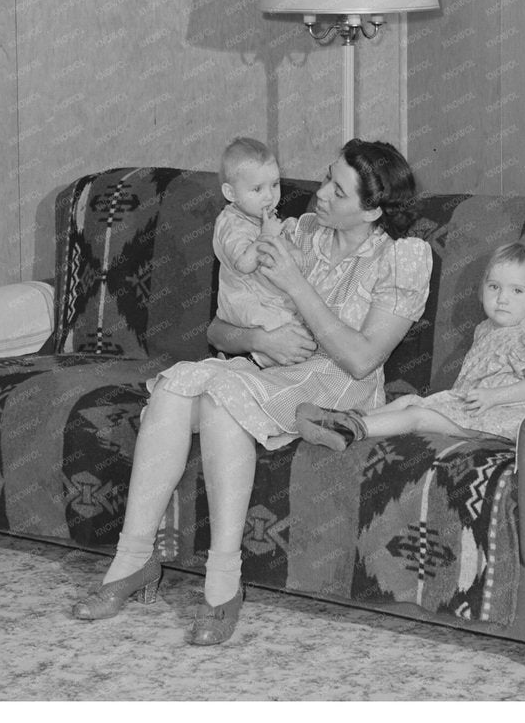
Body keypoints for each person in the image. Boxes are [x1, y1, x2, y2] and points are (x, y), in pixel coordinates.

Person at [69, 139, 433, 646]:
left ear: (372, 210)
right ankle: (132, 561)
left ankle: (221, 582)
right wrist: (260, 339)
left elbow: (362, 358)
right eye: (327, 177)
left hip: (336, 389)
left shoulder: (403, 258)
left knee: (221, 396)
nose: (320, 193)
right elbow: (219, 333)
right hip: (269, 371)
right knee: (176, 390)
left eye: (338, 190)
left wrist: (295, 284)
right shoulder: (299, 233)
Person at [294, 242, 525, 451]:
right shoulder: (485, 330)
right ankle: (343, 419)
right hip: (475, 412)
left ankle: (352, 429)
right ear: (482, 291)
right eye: (494, 287)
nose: (503, 298)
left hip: (499, 422)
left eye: (517, 291)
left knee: (417, 416)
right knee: (411, 400)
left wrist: (494, 396)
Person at [211, 137, 308, 369]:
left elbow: (282, 256)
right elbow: (244, 263)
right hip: (242, 302)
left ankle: (252, 366)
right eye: (257, 189)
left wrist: (292, 241)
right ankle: (243, 363)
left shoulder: (262, 217)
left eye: (275, 185)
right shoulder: (230, 223)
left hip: (265, 299)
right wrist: (266, 236)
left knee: (299, 327)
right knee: (288, 332)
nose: (269, 196)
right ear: (230, 192)